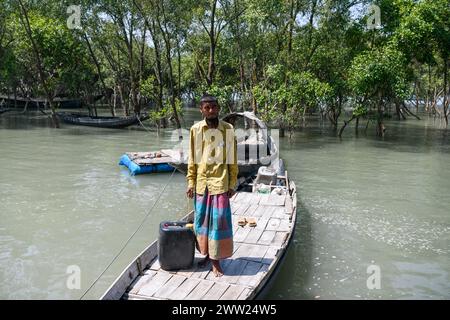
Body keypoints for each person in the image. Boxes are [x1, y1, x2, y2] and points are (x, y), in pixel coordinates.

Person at [186, 94, 238, 277]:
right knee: (202, 222)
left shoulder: (228, 129)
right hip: (202, 182)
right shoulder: (195, 130)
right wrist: (190, 182)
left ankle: (216, 261)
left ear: (218, 108)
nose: (211, 111)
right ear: (201, 110)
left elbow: (232, 159)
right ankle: (207, 255)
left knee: (219, 223)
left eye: (214, 107)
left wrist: (232, 183)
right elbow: (192, 158)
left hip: (220, 182)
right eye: (207, 108)